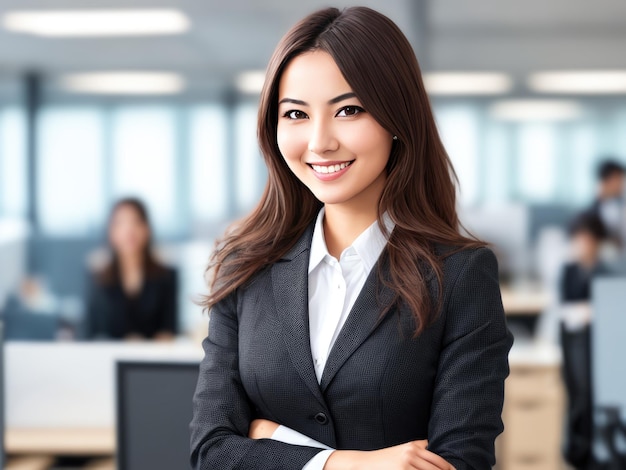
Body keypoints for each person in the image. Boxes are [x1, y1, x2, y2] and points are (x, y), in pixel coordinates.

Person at [190, 7, 513, 470]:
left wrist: (268, 436)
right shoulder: (245, 267)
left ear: (397, 117)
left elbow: (459, 462)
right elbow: (211, 452)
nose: (320, 142)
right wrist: (349, 464)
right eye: (296, 114)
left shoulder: (460, 274)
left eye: (348, 110)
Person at [86, 197, 177, 341]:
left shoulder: (167, 275)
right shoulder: (98, 277)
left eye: (136, 222)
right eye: (121, 223)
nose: (129, 230)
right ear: (111, 232)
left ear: (147, 229)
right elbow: (92, 333)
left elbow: (170, 330)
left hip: (151, 359)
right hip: (108, 359)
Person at [559, 212, 609, 470]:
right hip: (576, 345)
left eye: (587, 239)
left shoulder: (609, 270)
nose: (583, 244)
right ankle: (578, 452)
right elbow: (565, 310)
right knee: (578, 399)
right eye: (579, 238)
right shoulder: (569, 270)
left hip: (603, 348)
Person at [589, 159, 625, 248]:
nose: (622, 184)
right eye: (619, 179)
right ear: (607, 180)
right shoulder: (593, 211)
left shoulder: (620, 205)